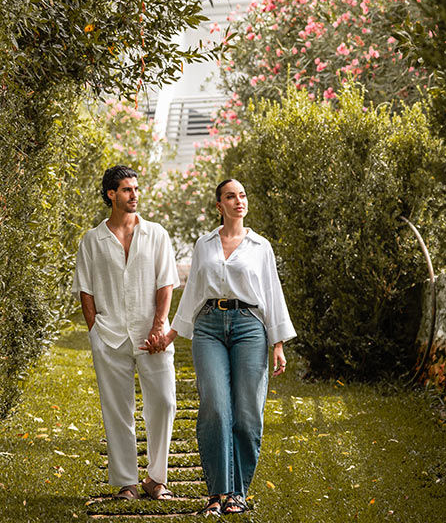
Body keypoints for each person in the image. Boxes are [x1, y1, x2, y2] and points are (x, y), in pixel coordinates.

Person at [145, 179, 295, 516]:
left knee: (247, 413)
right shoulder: (205, 244)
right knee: (214, 407)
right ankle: (216, 493)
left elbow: (272, 292)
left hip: (249, 327)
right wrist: (169, 334)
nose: (239, 201)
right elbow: (194, 292)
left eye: (242, 195)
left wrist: (278, 343)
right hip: (209, 327)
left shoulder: (260, 246)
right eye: (231, 196)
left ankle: (237, 493)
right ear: (219, 206)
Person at [73, 165, 179, 501]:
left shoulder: (156, 234)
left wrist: (159, 325)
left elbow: (166, 283)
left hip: (152, 338)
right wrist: (95, 331)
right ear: (111, 194)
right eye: (127, 190)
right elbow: (85, 290)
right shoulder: (92, 240)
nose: (134, 195)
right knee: (117, 409)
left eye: (136, 188)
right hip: (110, 335)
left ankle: (156, 478)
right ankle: (127, 482)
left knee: (164, 403)